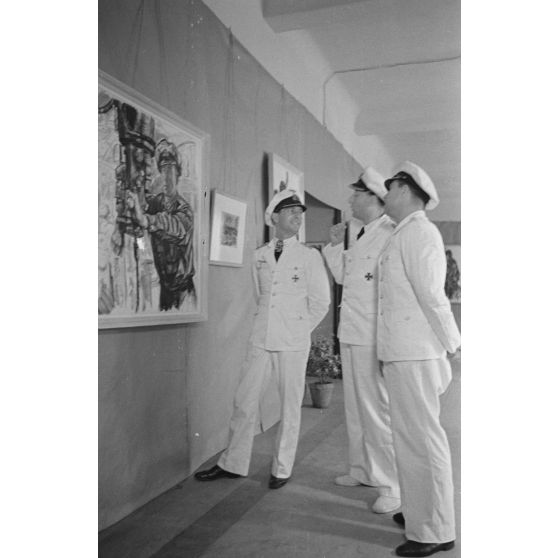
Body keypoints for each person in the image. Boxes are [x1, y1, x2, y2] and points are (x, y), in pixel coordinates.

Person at [195, 189, 330, 489]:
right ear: (275, 217)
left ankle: (282, 468)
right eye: (291, 211)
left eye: (300, 212)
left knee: (290, 406)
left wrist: (297, 328)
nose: (297, 216)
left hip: (294, 341)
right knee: (245, 400)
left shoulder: (309, 256)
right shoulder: (260, 255)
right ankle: (233, 463)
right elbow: (262, 297)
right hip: (261, 336)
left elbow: (321, 302)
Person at [377, 161, 461, 557]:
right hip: (402, 351)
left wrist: (453, 344)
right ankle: (418, 511)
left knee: (422, 440)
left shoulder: (420, 233)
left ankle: (434, 530)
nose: (385, 193)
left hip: (417, 353)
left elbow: (432, 295)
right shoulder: (403, 233)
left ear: (408, 190)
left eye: (390, 186)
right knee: (408, 438)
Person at [322, 166, 400, 514]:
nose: (350, 199)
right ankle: (362, 470)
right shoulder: (359, 232)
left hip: (372, 335)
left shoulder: (390, 234)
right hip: (351, 332)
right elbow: (343, 277)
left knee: (376, 411)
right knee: (354, 407)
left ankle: (391, 485)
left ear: (372, 197)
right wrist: (335, 246)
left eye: (356, 194)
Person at [126, 139, 196, 311]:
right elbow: (141, 226)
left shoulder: (184, 211)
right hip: (164, 288)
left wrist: (145, 220)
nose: (165, 177)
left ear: (178, 174)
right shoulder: (155, 202)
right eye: (162, 170)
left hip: (183, 292)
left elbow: (169, 225)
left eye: (170, 170)